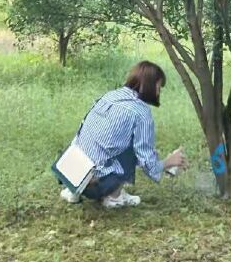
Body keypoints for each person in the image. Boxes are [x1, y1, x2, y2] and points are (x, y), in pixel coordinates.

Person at [59, 60, 188, 209]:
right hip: (94, 184)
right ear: (149, 85)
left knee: (97, 141)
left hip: (69, 169)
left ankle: (72, 191)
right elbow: (147, 161)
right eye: (159, 87)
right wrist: (168, 162)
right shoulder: (141, 113)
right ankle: (113, 197)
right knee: (132, 148)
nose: (159, 92)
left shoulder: (111, 96)